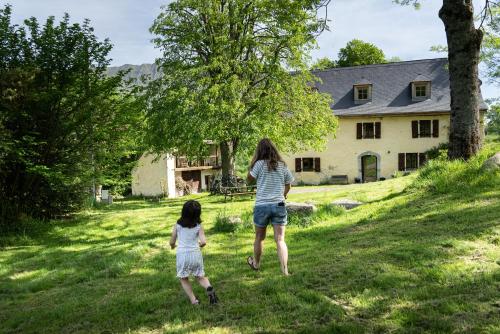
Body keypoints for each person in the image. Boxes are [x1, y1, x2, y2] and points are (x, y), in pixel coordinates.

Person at [246, 138, 294, 275]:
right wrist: (283, 196)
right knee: (280, 239)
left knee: (259, 238)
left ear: (259, 151)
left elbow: (249, 180)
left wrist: (252, 165)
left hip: (262, 205)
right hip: (279, 205)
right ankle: (285, 271)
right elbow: (289, 184)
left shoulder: (259, 165)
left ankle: (256, 264)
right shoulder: (282, 165)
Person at [170, 200, 218, 305]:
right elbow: (204, 242)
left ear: (183, 212)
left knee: (184, 278)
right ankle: (208, 287)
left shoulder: (178, 225)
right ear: (198, 214)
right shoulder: (198, 226)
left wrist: (172, 246)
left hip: (183, 255)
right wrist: (199, 245)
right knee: (200, 276)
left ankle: (194, 300)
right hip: (195, 254)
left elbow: (172, 240)